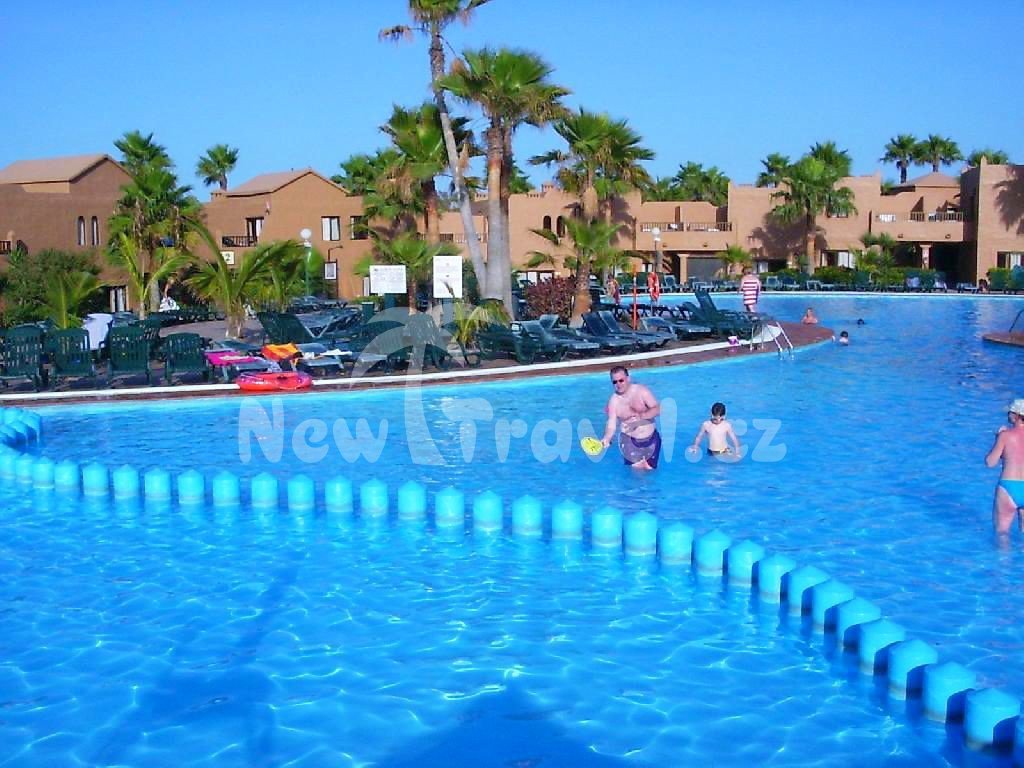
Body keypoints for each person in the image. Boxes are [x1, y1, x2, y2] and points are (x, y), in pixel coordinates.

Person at [601, 366, 661, 470]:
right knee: (636, 474)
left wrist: (641, 417)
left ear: (628, 378)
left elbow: (658, 409)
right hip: (629, 442)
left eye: (621, 380)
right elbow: (611, 423)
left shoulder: (641, 391)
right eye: (615, 382)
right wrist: (607, 438)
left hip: (651, 440)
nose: (618, 384)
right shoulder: (614, 401)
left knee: (650, 473)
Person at [985, 399, 1024, 534]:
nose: (1008, 415)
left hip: (1009, 486)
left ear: (1016, 416)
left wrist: (998, 439)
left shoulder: (1005, 436)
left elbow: (990, 462)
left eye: (1010, 412)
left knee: (1002, 533)